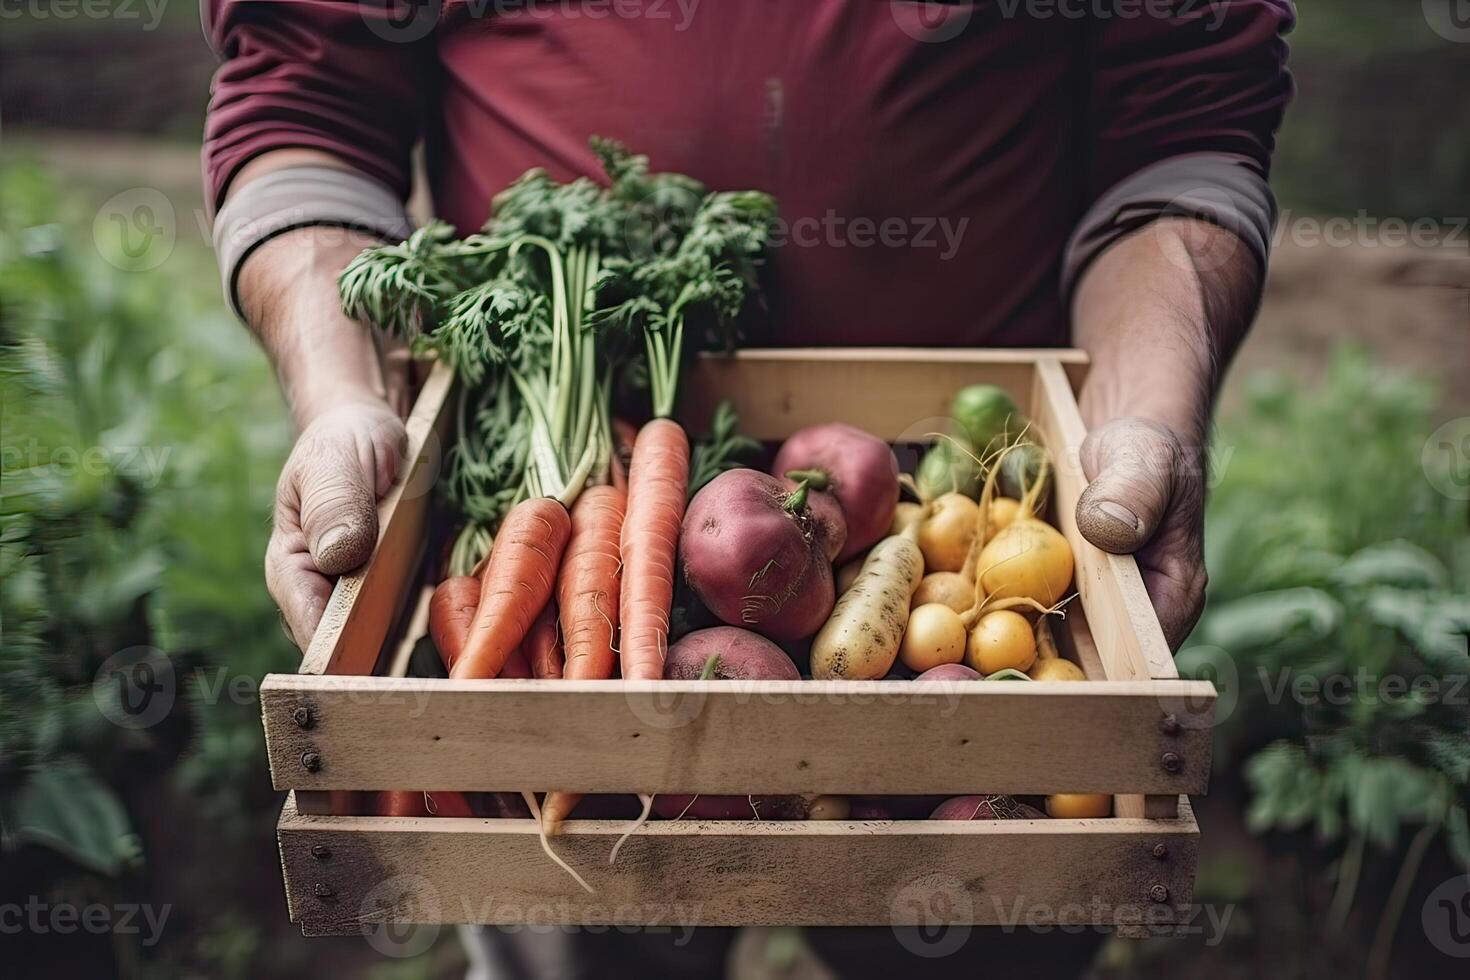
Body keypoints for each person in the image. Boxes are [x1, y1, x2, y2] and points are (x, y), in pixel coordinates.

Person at [203, 2, 1293, 975]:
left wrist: (1149, 412)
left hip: (996, 490)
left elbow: (1182, 126)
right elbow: (306, 101)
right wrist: (346, 396)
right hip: (558, 605)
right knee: (588, 929)